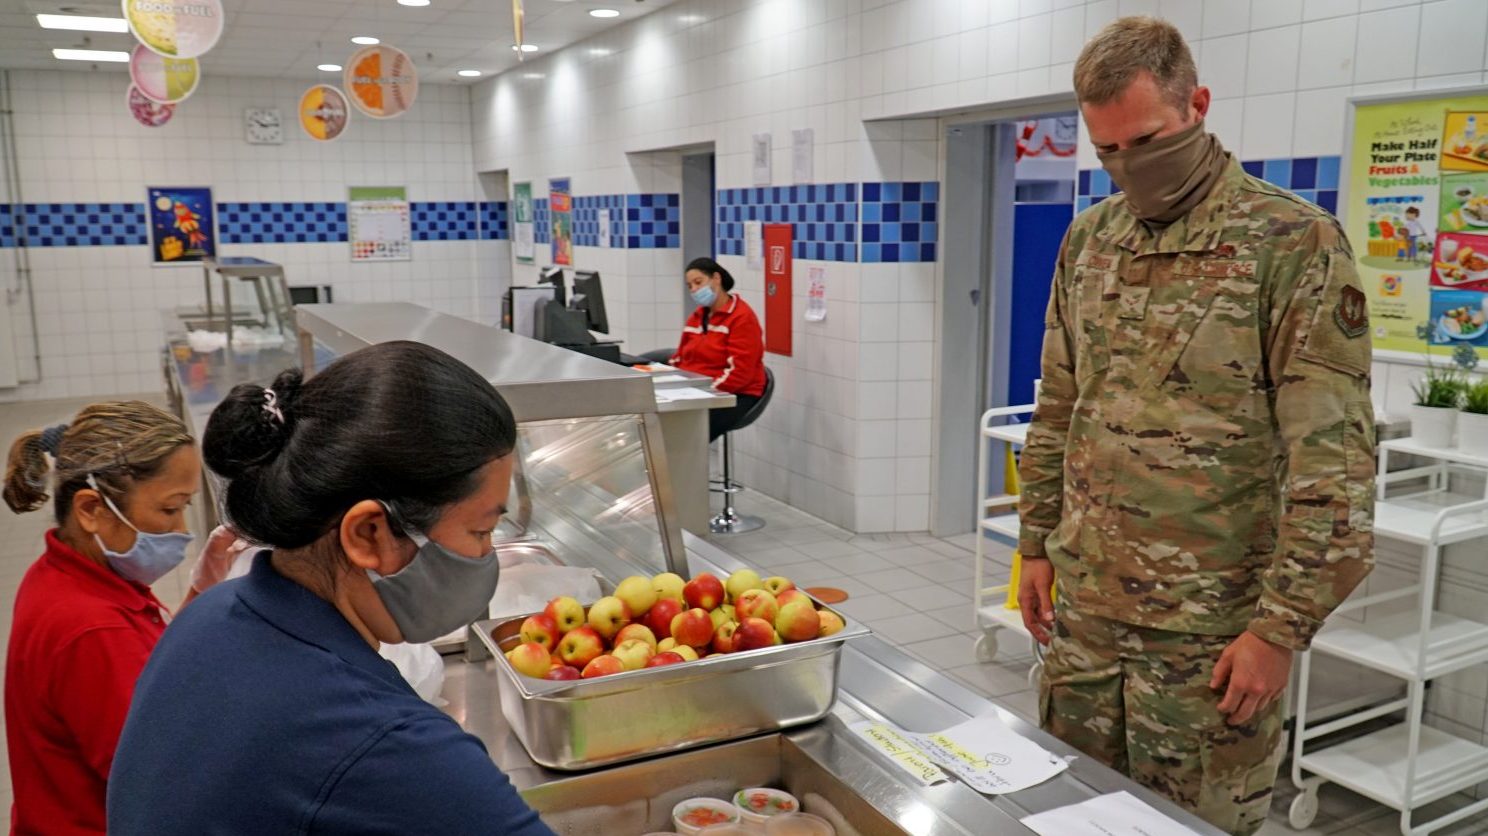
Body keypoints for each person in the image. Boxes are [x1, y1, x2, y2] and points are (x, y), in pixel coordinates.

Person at [1016, 17, 1375, 836]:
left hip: (1211, 638)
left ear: (1197, 105)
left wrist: (1278, 631)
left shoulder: (1292, 243)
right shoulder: (1091, 240)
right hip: (1087, 619)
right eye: (1106, 151)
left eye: (1143, 141)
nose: (1126, 167)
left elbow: (1336, 463)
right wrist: (1035, 542)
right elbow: (1060, 405)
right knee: (1067, 817)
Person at [108, 341, 553, 836]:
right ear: (368, 534)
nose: (486, 554)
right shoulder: (391, 747)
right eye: (480, 531)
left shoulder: (208, 617)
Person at [3, 402, 199, 836]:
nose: (182, 529)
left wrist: (202, 595)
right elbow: (163, 786)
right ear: (91, 508)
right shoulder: (92, 630)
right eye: (170, 510)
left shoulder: (61, 575)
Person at [669, 256, 768, 440]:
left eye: (698, 282)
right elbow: (679, 358)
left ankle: (683, 466)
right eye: (690, 286)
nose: (694, 289)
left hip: (735, 394)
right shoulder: (697, 317)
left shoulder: (741, 318)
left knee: (684, 433)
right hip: (698, 390)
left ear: (716, 278)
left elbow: (740, 372)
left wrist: (703, 394)